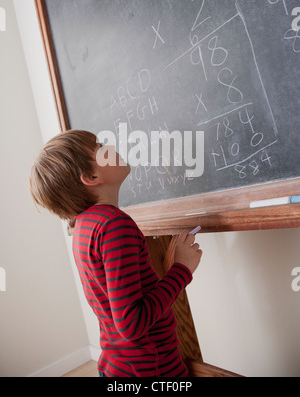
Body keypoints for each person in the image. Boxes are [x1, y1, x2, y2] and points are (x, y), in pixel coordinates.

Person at [29, 130, 202, 377]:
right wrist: (181, 271)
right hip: (151, 370)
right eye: (100, 147)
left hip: (120, 365)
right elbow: (131, 324)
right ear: (91, 176)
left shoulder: (84, 226)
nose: (109, 147)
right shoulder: (114, 226)